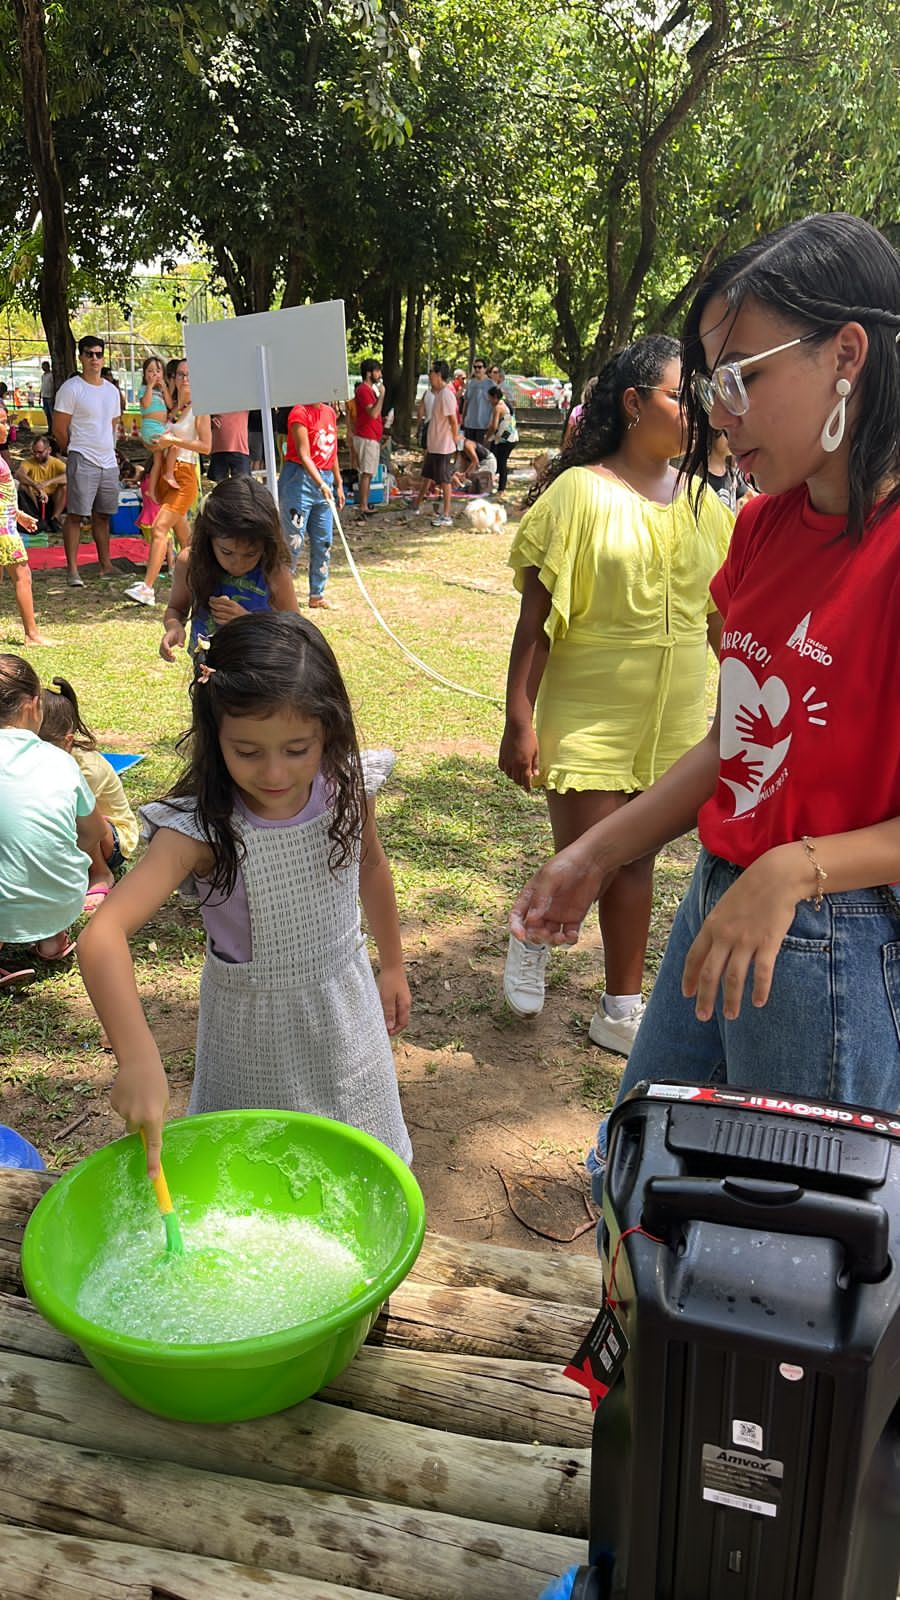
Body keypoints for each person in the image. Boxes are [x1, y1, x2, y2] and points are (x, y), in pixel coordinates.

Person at [510, 213, 900, 1185]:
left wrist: (798, 869)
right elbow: (738, 744)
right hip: (724, 893)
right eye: (707, 384)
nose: (717, 414)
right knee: (633, 1171)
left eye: (740, 379)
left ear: (846, 353)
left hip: (829, 936)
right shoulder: (761, 528)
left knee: (796, 1244)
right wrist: (594, 854)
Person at [78, 611, 413, 1179]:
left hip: (345, 1009)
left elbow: (372, 864)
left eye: (297, 748)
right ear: (216, 736)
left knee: (361, 1165)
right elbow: (102, 935)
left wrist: (394, 964)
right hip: (249, 1034)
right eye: (248, 751)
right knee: (249, 1175)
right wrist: (136, 1056)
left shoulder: (348, 786)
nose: (275, 771)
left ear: (328, 729)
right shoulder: (200, 831)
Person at [499, 334, 733, 1053]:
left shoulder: (703, 502)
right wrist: (520, 719)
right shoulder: (578, 493)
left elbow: (726, 622)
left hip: (671, 723)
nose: (693, 411)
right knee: (594, 858)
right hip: (591, 711)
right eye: (677, 395)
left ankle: (619, 1010)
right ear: (634, 404)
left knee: (637, 861)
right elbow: (534, 622)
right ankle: (535, 932)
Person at [0, 655, 104, 985]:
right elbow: (93, 832)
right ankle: (51, 940)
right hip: (61, 899)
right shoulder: (61, 761)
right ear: (33, 705)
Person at [161, 475, 298, 660]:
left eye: (250, 554)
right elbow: (176, 609)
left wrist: (247, 622)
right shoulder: (190, 563)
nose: (237, 563)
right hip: (206, 666)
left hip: (260, 671)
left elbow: (296, 632)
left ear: (266, 545)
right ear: (209, 538)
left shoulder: (274, 573)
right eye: (226, 552)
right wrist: (173, 626)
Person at [38, 677, 139, 913]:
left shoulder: (86, 769)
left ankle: (101, 873)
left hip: (110, 838)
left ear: (67, 742)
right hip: (74, 835)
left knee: (78, 817)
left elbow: (78, 820)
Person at [125, 358, 211, 607]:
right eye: (180, 374)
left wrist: (173, 441)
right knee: (186, 539)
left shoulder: (200, 410)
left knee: (160, 528)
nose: (184, 379)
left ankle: (147, 588)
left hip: (183, 476)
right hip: (167, 475)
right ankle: (203, 582)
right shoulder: (175, 408)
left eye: (189, 375)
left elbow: (206, 447)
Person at [51, 335, 121, 586]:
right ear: (80, 357)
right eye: (89, 354)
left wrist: (110, 451)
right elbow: (59, 427)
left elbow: (113, 425)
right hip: (82, 457)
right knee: (76, 516)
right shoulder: (72, 388)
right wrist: (71, 449)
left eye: (99, 354)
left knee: (102, 515)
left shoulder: (112, 391)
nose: (94, 359)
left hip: (108, 460)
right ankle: (73, 570)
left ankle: (106, 565)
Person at [277, 400, 345, 608]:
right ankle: (280, 595)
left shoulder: (329, 412)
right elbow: (304, 454)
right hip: (299, 480)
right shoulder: (299, 412)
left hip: (324, 479)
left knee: (323, 540)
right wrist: (321, 483)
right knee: (293, 542)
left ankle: (317, 594)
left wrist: (338, 482)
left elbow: (331, 452)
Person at [0, 406, 52, 647]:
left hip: (7, 523)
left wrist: (18, 514)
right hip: (4, 530)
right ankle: (32, 635)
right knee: (23, 575)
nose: (7, 427)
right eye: (1, 422)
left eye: (6, 422)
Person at [412, 362, 462, 526]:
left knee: (444, 480)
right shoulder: (439, 393)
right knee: (427, 475)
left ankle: (446, 515)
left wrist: (455, 438)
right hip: (435, 445)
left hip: (443, 447)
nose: (429, 375)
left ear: (439, 374)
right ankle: (416, 505)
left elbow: (453, 421)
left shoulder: (446, 394)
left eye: (431, 372)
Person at [138, 357, 175, 503]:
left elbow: (170, 405)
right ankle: (169, 474)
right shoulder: (143, 389)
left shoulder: (160, 390)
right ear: (145, 374)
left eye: (158, 371)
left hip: (161, 427)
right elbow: (146, 404)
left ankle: (152, 491)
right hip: (150, 427)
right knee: (174, 444)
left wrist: (165, 388)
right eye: (150, 371)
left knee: (158, 461)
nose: (154, 374)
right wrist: (149, 386)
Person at [14, 435, 67, 531]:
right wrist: (37, 487)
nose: (37, 455)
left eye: (40, 452)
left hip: (53, 499)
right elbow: (19, 474)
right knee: (24, 486)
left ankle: (55, 518)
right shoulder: (28, 462)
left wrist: (47, 483)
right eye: (34, 452)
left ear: (49, 450)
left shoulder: (56, 463)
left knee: (64, 486)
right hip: (35, 499)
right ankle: (36, 516)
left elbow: (69, 476)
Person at [355, 359, 385, 517]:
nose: (379, 374)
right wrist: (382, 396)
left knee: (369, 471)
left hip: (371, 435)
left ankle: (364, 503)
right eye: (377, 371)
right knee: (367, 472)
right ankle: (363, 505)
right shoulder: (364, 390)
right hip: (366, 436)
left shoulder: (369, 390)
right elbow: (372, 413)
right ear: (369, 373)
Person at [706, 427, 753, 513]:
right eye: (725, 433)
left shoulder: (733, 473)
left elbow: (742, 499)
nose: (731, 438)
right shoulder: (701, 476)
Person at [485, 384, 518, 491]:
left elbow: (494, 427)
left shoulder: (498, 408)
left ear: (494, 397)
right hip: (510, 438)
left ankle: (501, 489)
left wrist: (487, 437)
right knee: (498, 461)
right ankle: (495, 484)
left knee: (501, 463)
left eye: (489, 397)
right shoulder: (505, 403)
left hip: (505, 440)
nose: (488, 400)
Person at [209, 411, 251, 481]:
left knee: (242, 485)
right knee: (221, 485)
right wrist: (209, 420)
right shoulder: (214, 401)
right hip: (219, 448)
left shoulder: (244, 401)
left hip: (239, 448)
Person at [461, 358, 494, 442]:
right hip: (469, 424)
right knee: (468, 452)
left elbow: (495, 404)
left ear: (485, 369)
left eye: (479, 367)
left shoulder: (491, 384)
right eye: (475, 367)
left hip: (483, 425)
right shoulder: (470, 383)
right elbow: (466, 402)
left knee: (480, 453)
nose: (477, 369)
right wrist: (463, 419)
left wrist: (492, 422)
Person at [40, 362, 54, 435]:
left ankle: (53, 431)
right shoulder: (43, 376)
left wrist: (53, 396)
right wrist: (40, 395)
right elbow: (42, 386)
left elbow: (53, 386)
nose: (43, 368)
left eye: (44, 366)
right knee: (47, 414)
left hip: (50, 397)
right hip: (44, 397)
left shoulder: (51, 375)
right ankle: (49, 429)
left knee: (52, 415)